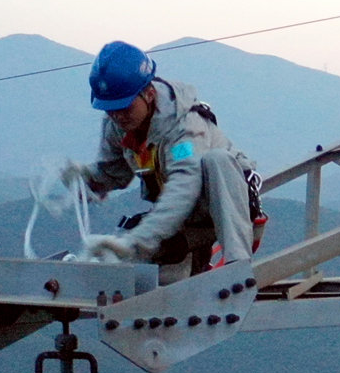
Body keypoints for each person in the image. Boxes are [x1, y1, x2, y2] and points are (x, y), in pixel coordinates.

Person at [64, 41, 262, 281]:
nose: (117, 116)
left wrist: (141, 238)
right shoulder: (119, 126)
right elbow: (113, 173)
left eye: (124, 107)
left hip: (226, 211)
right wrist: (85, 180)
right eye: (110, 109)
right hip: (185, 220)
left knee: (216, 160)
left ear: (148, 94)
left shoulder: (183, 129)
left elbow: (184, 185)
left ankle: (237, 269)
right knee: (136, 265)